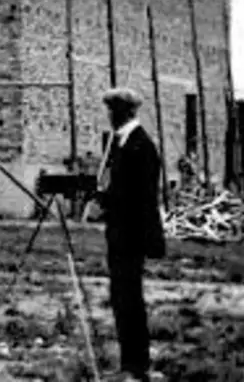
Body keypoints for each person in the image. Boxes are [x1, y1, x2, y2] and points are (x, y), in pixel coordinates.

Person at [95, 87, 166, 381]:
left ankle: (137, 366)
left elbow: (143, 199)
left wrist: (109, 200)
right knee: (122, 299)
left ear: (124, 112)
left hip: (131, 237)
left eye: (113, 111)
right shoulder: (123, 144)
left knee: (130, 300)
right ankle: (131, 363)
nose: (110, 117)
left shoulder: (140, 147)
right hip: (121, 235)